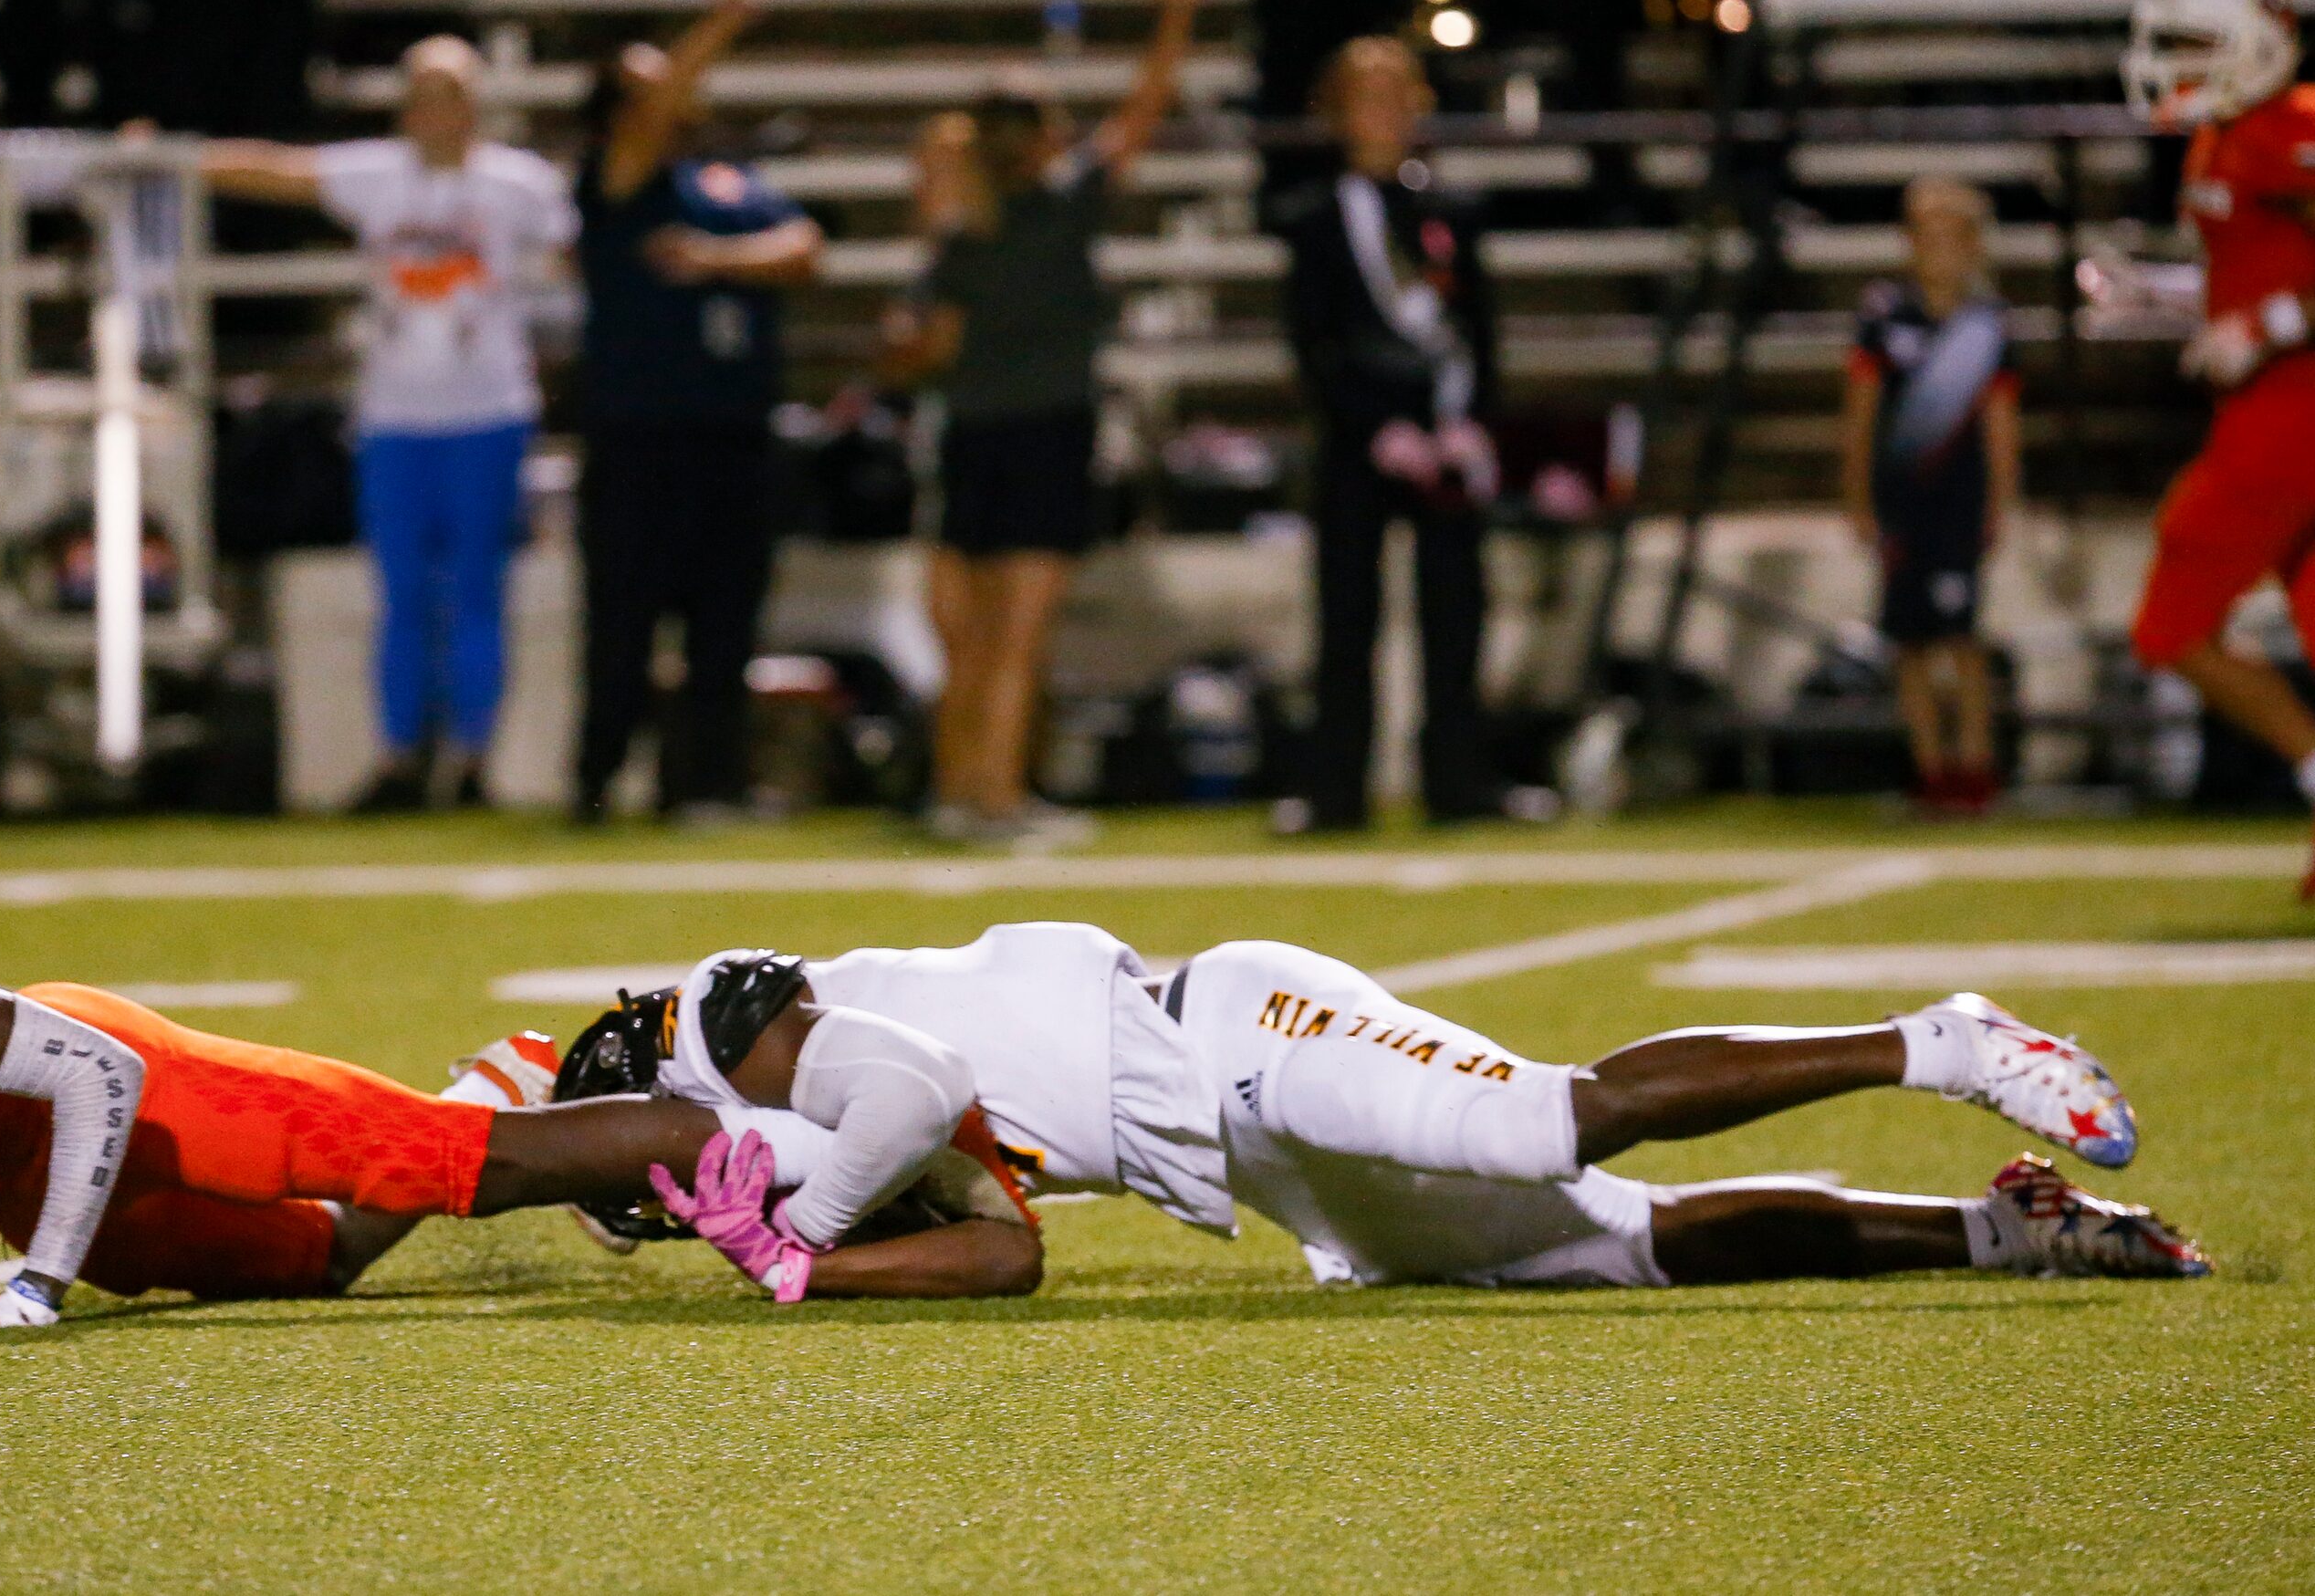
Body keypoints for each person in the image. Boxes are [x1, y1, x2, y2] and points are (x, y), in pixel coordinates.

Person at [552, 928, 2199, 1304]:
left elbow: (906, 1081)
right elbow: (1005, 1256)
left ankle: (1938, 1037)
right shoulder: (781, 1151)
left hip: (1231, 1033)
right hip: (1236, 1151)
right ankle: (2002, 1227)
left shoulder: (725, 1020)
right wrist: (808, 1268)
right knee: (1609, 1252)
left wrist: (806, 1229)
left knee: (1557, 1122)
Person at [0, 908, 726, 1329]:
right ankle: (494, 1074)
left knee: (459, 1166)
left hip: (108, 1091)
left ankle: (756, 1143)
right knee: (314, 1263)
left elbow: (91, 1067)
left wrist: (37, 1288)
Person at [198, 37, 578, 811]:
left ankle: (473, 759)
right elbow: (278, 170)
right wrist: (183, 157)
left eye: (449, 91)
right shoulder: (379, 176)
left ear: (473, 103)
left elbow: (576, 262)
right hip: (396, 418)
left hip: (488, 414)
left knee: (478, 591)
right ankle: (401, 756)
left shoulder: (520, 185)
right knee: (402, 593)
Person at [884, 0, 1194, 846]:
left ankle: (957, 788)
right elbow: (1145, 105)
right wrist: (1174, 12)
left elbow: (921, 352)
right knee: (1016, 636)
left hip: (968, 437)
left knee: (967, 640)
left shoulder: (958, 237)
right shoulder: (1063, 207)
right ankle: (996, 798)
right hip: (1044, 433)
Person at [568, 0, 824, 825]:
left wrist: (715, 260)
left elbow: (803, 245)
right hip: (639, 432)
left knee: (726, 621)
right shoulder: (615, 180)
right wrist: (722, 20)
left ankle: (707, 782)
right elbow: (651, 111)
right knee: (624, 620)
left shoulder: (723, 186)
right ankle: (598, 780)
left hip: (733, 431)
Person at [1264, 37, 1501, 832]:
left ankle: (1460, 785)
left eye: (1397, 94)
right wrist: (1370, 427)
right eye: (1365, 95)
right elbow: (1313, 342)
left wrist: (1469, 426)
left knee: (1456, 616)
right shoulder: (1311, 217)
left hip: (1445, 442)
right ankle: (1335, 792)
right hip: (1359, 444)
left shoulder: (1450, 210)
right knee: (1345, 621)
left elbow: (1480, 332)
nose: (1383, 111)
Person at [2121, 0, 2315, 898]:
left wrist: (2272, 327)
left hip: (2290, 415)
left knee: (2168, 623)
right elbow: (2261, 270)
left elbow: (2281, 301)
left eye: (2193, 42)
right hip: (2272, 405)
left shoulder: (2291, 129)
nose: (2172, 60)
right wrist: (2165, 297)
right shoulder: (2223, 134)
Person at [1840, 177, 2024, 816]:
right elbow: (1861, 416)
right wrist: (1857, 496)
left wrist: (2002, 499)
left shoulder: (1988, 324)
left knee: (1962, 637)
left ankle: (1974, 766)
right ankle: (1929, 767)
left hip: (1960, 500)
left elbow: (2001, 422)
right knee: (1909, 640)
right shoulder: (1884, 318)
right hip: (1902, 501)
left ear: (1973, 246)